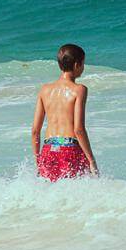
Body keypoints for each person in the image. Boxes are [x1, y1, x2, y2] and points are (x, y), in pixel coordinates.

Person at [32, 43, 98, 181]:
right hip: (70, 150)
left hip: (48, 150)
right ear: (76, 65)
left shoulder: (44, 89)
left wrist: (38, 159)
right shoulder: (79, 89)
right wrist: (91, 160)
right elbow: (79, 129)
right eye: (83, 64)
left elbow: (35, 131)